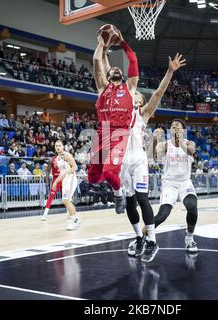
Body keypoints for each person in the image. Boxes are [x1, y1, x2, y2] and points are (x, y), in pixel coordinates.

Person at [117, 54, 186, 263]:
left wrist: (170, 72)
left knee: (142, 198)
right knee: (129, 203)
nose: (134, 94)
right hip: (122, 161)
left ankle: (152, 241)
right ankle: (139, 237)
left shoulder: (143, 113)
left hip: (138, 158)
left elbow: (158, 92)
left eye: (137, 93)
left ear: (140, 100)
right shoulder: (119, 111)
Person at [88, 26, 138, 214]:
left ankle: (118, 193)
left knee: (110, 172)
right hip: (103, 132)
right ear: (108, 76)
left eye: (119, 69)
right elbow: (96, 60)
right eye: (112, 69)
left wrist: (123, 42)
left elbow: (133, 60)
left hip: (119, 133)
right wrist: (102, 44)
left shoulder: (130, 88)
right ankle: (115, 188)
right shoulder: (103, 87)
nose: (116, 69)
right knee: (92, 178)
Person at [146, 120, 199, 254]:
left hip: (185, 182)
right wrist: (154, 140)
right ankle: (141, 237)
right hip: (169, 183)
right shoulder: (165, 145)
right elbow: (151, 155)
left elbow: (191, 151)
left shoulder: (189, 143)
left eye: (178, 126)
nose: (175, 128)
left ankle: (189, 238)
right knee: (162, 215)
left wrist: (180, 141)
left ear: (183, 131)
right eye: (172, 126)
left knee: (192, 207)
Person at [42, 140, 80, 231]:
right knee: (67, 201)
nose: (58, 147)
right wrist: (55, 182)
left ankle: (74, 221)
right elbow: (61, 173)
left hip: (70, 178)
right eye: (56, 145)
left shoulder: (67, 155)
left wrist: (67, 171)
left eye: (59, 145)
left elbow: (75, 167)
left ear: (63, 147)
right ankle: (76, 219)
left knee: (66, 200)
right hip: (65, 179)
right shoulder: (58, 158)